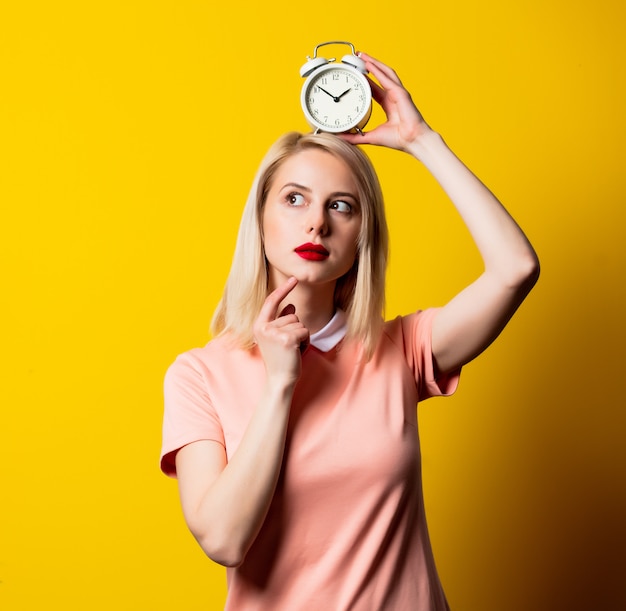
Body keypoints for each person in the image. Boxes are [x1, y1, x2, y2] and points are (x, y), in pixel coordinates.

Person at [160, 52, 539, 610]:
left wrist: (420, 139)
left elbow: (516, 269)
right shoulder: (198, 375)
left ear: (363, 235)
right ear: (260, 218)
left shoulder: (402, 349)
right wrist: (280, 383)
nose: (317, 222)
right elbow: (223, 539)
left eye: (342, 206)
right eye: (294, 199)